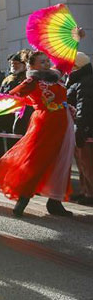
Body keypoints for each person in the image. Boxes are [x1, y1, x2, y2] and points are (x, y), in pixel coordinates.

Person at [0, 51, 75, 217]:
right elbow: (11, 96)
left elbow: (66, 61)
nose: (46, 64)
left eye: (47, 61)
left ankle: (55, 202)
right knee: (36, 161)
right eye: (42, 62)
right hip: (44, 124)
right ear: (31, 65)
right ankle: (24, 198)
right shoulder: (31, 81)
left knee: (62, 162)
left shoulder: (55, 76)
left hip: (64, 123)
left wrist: (75, 40)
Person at [67, 52, 93, 206]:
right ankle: (86, 192)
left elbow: (84, 105)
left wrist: (80, 127)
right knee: (83, 163)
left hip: (84, 128)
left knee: (87, 163)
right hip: (79, 127)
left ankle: (90, 193)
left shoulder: (85, 81)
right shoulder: (77, 79)